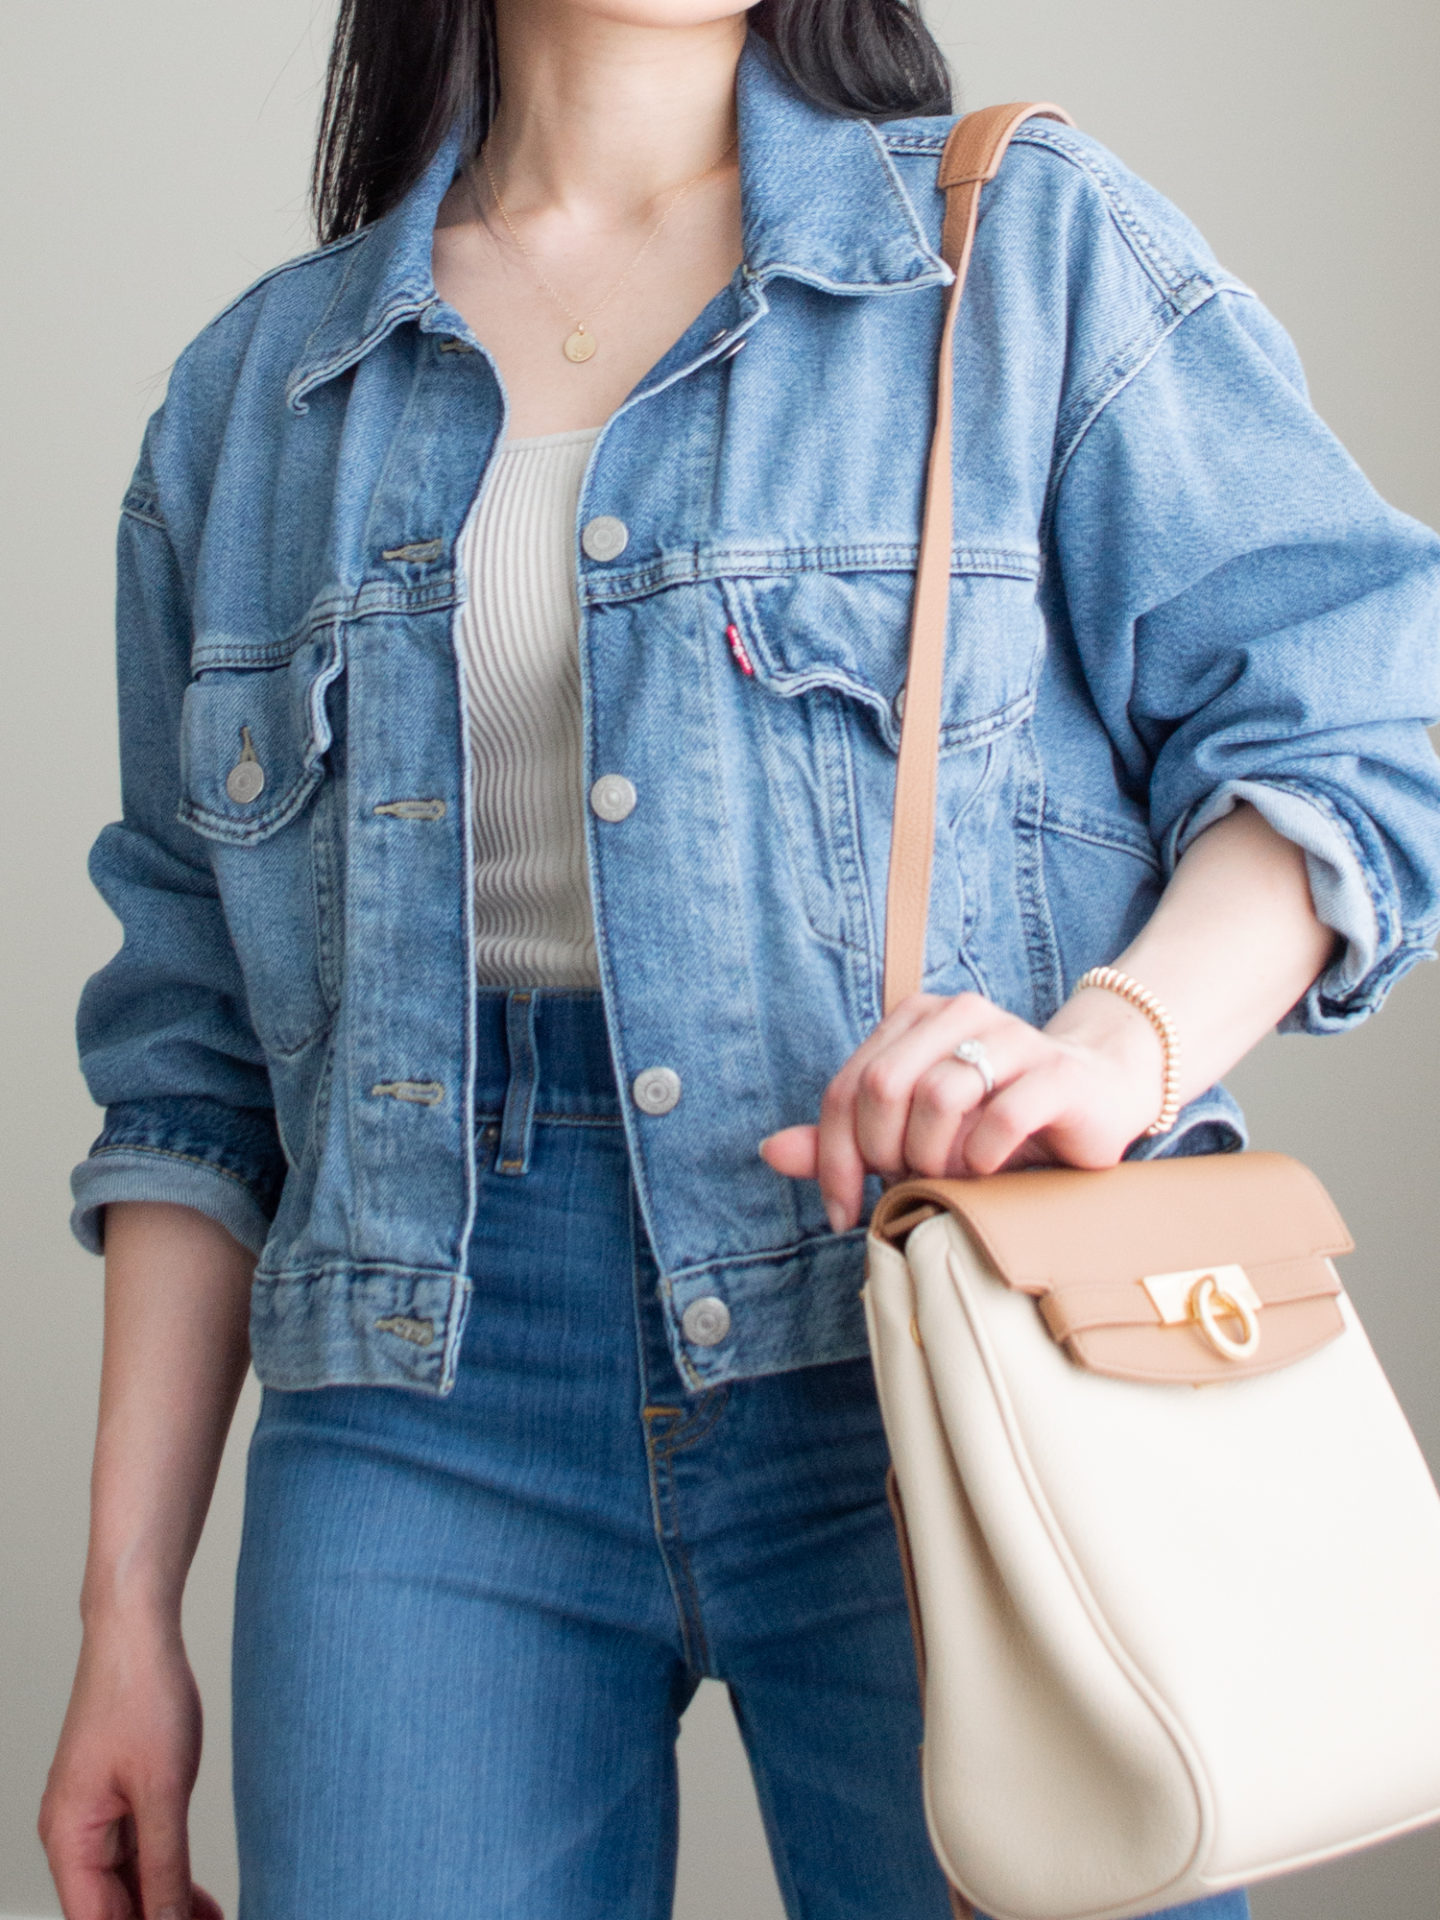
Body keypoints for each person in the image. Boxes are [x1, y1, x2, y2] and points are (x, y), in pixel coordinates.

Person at [38, 0, 1440, 1916]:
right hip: (420, 1406)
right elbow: (191, 1068)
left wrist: (1118, 1046)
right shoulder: (257, 399)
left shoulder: (1012, 254)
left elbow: (1366, 715)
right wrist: (125, 1614)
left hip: (945, 1349)